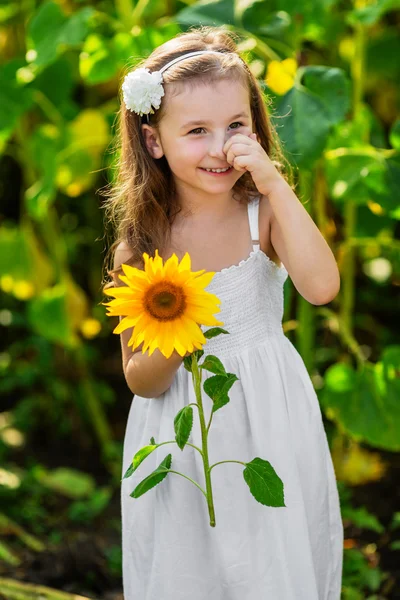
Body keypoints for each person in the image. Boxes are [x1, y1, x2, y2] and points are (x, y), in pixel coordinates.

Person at [102, 25, 344, 600]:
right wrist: (175, 322)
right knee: (190, 562)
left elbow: (321, 287)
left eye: (237, 125)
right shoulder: (142, 246)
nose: (220, 147)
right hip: (181, 433)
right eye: (196, 131)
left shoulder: (262, 216)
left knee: (272, 553)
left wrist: (275, 185)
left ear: (257, 127)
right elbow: (141, 380)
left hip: (269, 419)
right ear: (154, 140)